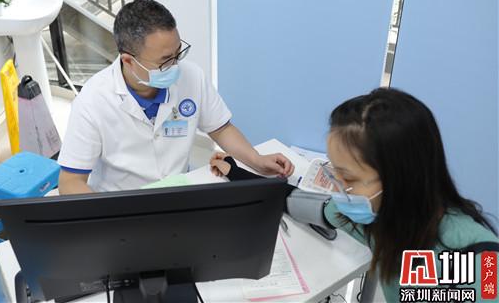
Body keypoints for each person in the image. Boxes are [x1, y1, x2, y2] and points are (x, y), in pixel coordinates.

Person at [210, 87, 498, 302]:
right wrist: (234, 171)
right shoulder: (378, 217)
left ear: (400, 177)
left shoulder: (480, 262)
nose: (339, 189)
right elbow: (294, 201)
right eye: (335, 173)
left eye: (348, 178)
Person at [57, 0, 294, 194]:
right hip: (121, 202)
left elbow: (221, 128)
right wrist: (111, 218)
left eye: (178, 53)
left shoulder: (192, 76)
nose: (175, 66)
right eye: (164, 61)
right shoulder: (93, 101)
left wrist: (257, 160)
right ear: (128, 61)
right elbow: (70, 182)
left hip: (178, 192)